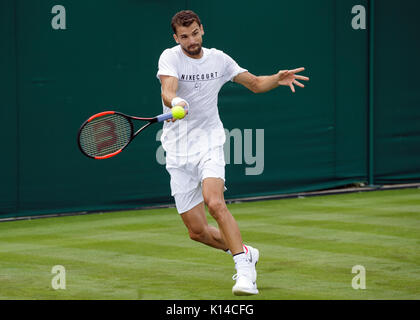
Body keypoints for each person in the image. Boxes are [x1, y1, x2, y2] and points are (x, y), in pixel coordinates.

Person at [156, 10, 309, 296]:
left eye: (195, 33)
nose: (191, 41)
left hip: (209, 142)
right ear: (176, 38)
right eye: (184, 37)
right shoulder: (170, 57)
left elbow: (254, 84)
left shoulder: (220, 59)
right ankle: (245, 251)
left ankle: (244, 272)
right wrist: (175, 100)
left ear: (202, 29)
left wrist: (276, 78)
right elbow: (168, 88)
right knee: (197, 232)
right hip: (177, 152)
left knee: (214, 202)